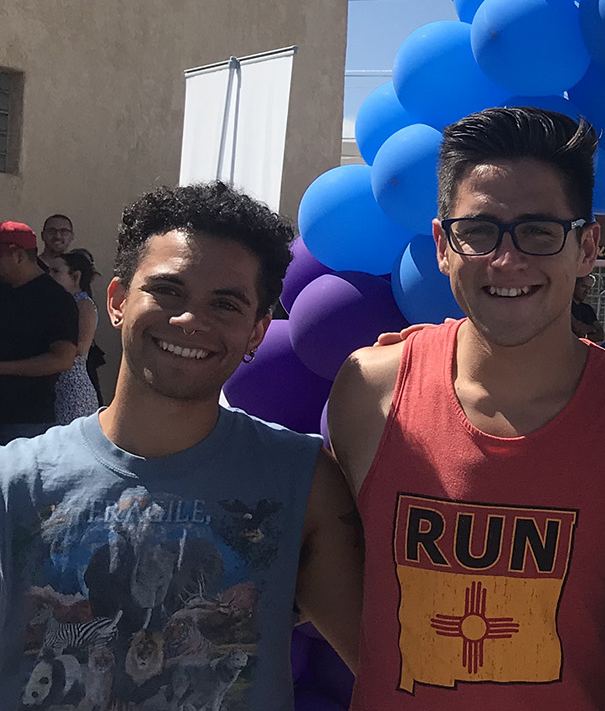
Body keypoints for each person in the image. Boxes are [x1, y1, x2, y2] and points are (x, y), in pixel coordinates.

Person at [327, 106, 605, 709]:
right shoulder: (370, 391)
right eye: (480, 230)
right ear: (444, 245)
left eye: (540, 231)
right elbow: (326, 574)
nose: (508, 259)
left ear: (588, 246)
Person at [0, 183, 362, 707]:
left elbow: (387, 668)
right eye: (168, 291)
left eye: (225, 303)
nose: (191, 319)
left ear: (258, 332)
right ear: (119, 301)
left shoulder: (303, 482)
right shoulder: (16, 481)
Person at [0, 221, 78, 444]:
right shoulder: (3, 289)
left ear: (18, 255)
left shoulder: (55, 299)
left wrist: (3, 368)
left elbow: (62, 359)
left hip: (26, 421)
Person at [45, 249, 102, 423]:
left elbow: (81, 347)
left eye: (56, 272)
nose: (49, 276)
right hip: (53, 387)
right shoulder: (58, 303)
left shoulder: (82, 303)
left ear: (75, 277)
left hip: (73, 388)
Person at [571, 273, 601, 340]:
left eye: (589, 288)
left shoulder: (588, 309)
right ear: (574, 285)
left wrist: (584, 337)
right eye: (583, 286)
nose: (586, 291)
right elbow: (577, 327)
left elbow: (600, 334)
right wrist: (592, 329)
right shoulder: (566, 306)